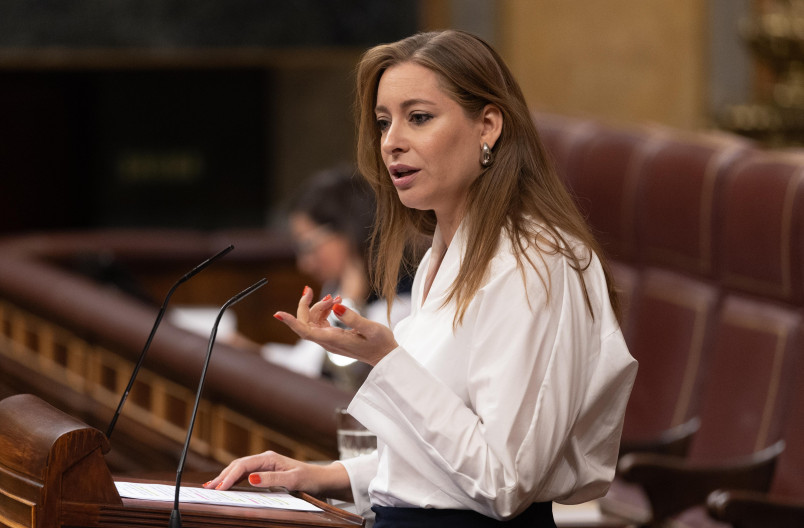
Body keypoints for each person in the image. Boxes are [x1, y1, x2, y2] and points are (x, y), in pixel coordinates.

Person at [204, 29, 637, 526]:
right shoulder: (438, 257)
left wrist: (385, 359)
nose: (391, 142)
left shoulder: (535, 262)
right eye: (383, 122)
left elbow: (503, 483)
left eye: (419, 118)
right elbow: (441, 467)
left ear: (488, 126)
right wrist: (322, 475)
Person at [260, 164, 412, 387]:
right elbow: (305, 362)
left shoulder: (402, 301)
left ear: (348, 231)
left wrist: (351, 302)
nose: (303, 264)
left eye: (307, 245)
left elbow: (336, 380)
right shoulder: (338, 285)